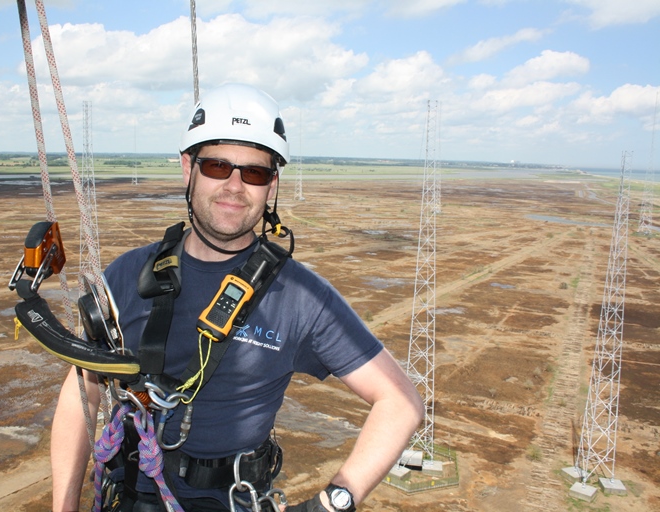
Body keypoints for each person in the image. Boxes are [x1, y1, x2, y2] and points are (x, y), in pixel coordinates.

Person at [50, 83, 424, 512]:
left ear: (271, 185)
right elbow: (83, 390)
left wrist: (332, 502)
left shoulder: (301, 298)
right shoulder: (126, 276)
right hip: (133, 494)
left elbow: (400, 403)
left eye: (254, 173)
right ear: (188, 168)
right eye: (217, 166)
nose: (234, 185)